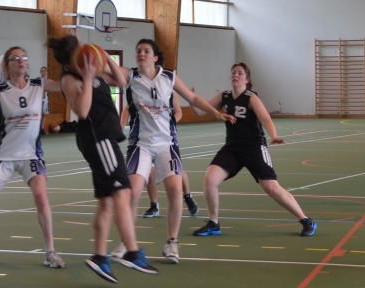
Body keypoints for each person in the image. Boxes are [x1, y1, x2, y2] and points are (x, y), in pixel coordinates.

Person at [46, 34, 159, 283]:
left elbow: (122, 82)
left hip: (105, 139)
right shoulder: (71, 78)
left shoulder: (93, 71)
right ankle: (131, 252)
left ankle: (99, 257)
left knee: (107, 202)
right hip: (98, 140)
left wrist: (105, 57)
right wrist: (88, 78)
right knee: (122, 193)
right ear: (73, 58)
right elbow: (82, 110)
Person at [120, 39, 230, 263]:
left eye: (146, 51)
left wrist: (215, 112)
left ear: (155, 57)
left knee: (175, 190)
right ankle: (127, 242)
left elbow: (193, 98)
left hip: (166, 143)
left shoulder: (169, 77)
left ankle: (172, 243)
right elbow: (109, 71)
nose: (141, 54)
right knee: (133, 192)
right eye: (138, 50)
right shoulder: (130, 77)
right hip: (140, 144)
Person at [0, 46, 65, 269]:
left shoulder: (39, 84)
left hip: (31, 155)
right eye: (15, 58)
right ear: (7, 64)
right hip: (3, 155)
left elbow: (64, 85)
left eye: (23, 57)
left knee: (42, 198)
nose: (20, 61)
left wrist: (77, 67)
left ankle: (50, 252)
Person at [191, 63, 317, 238]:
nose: (236, 75)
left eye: (240, 73)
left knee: (271, 187)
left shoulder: (251, 97)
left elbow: (265, 118)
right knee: (210, 179)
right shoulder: (224, 96)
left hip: (254, 147)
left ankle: (306, 220)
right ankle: (213, 223)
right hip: (232, 147)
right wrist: (190, 97)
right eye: (233, 73)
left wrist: (273, 135)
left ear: (247, 79)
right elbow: (200, 112)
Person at [139, 97, 201, 218]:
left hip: (166, 137)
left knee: (176, 170)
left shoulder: (170, 92)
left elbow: (178, 112)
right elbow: (128, 108)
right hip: (147, 137)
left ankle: (187, 196)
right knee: (150, 172)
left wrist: (169, 123)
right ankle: (154, 206)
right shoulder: (141, 90)